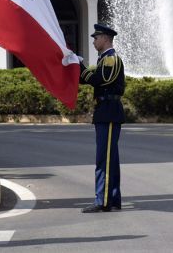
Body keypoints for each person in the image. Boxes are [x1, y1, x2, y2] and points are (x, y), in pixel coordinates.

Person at [79, 23, 125, 213]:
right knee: (110, 159)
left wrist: (80, 66)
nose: (94, 41)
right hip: (106, 111)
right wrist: (75, 65)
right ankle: (113, 199)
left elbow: (99, 79)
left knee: (104, 160)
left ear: (105, 38)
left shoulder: (111, 59)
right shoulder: (103, 60)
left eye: (96, 38)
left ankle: (102, 201)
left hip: (108, 111)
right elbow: (87, 78)